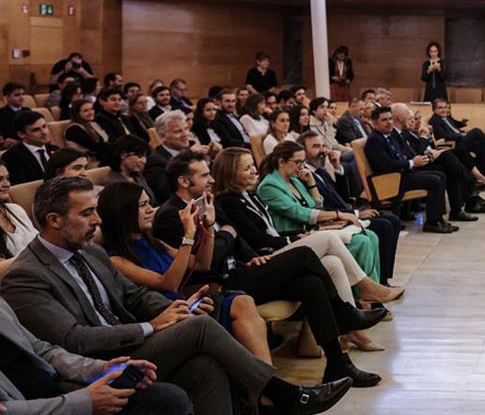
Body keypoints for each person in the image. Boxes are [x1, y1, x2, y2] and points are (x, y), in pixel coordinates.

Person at [0, 176, 353, 414]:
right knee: (200, 329)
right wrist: (152, 327)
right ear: (54, 220)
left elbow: (136, 295)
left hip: (129, 343)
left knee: (205, 364)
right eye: (87, 213)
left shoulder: (90, 252)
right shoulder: (26, 276)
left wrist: (176, 308)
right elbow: (73, 339)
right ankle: (278, 393)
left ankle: (266, 393)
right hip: (98, 361)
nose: (98, 222)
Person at [100, 179, 272, 365]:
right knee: (241, 306)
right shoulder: (116, 259)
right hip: (165, 315)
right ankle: (264, 385)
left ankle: (265, 381)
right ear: (123, 212)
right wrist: (188, 236)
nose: (151, 209)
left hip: (185, 304)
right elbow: (168, 283)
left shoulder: (153, 242)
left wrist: (207, 228)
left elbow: (201, 264)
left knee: (244, 302)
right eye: (143, 205)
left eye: (149, 203)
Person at [210, 148, 402, 307]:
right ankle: (368, 288)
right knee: (330, 239)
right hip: (266, 256)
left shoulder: (248, 195)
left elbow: (312, 205)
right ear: (230, 174)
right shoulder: (230, 201)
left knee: (333, 262)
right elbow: (258, 240)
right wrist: (295, 239)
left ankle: (350, 327)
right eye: (247, 168)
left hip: (280, 244)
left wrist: (310, 186)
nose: (254, 171)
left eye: (253, 165)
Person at [0, 295, 190, 414]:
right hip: (49, 406)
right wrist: (84, 403)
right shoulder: (26, 274)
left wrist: (101, 369)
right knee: (199, 328)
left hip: (59, 389)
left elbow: (42, 350)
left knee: (175, 390)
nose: (96, 227)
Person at [256, 142, 385, 283]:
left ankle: (373, 292)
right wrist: (339, 214)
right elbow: (300, 213)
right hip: (294, 235)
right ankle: (363, 294)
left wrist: (311, 184)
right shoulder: (269, 185)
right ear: (281, 162)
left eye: (303, 162)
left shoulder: (294, 180)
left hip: (313, 231)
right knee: (361, 242)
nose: (301, 166)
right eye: (298, 162)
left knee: (372, 236)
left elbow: (316, 206)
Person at [299, 131, 402, 284]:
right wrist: (357, 214)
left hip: (345, 212)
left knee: (393, 220)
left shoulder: (320, 171)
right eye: (315, 146)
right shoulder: (305, 177)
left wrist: (337, 167)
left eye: (322, 146)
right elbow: (324, 208)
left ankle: (384, 278)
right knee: (384, 226)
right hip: (333, 220)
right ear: (303, 152)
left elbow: (342, 196)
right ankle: (378, 281)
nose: (322, 151)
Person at [393, 104, 485, 219]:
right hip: (413, 168)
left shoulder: (410, 132)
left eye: (417, 119)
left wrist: (429, 142)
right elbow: (417, 152)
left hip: (423, 161)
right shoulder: (405, 134)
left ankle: (460, 208)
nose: (413, 122)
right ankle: (473, 184)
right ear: (402, 118)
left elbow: (423, 149)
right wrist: (425, 139)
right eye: (411, 118)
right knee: (450, 158)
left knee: (454, 162)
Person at [364, 106, 456, 234]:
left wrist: (414, 160)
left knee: (440, 175)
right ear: (375, 123)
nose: (389, 122)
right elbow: (385, 165)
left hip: (400, 174)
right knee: (435, 181)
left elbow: (400, 155)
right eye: (384, 120)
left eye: (390, 118)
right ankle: (432, 222)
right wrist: (412, 162)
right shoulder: (375, 139)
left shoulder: (387, 135)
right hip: (390, 180)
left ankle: (438, 219)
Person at [429, 99, 485, 184]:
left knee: (484, 147)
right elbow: (442, 136)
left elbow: (455, 125)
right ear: (434, 110)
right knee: (476, 131)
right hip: (455, 145)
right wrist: (461, 135)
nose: (444, 110)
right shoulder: (435, 120)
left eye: (446, 107)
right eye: (440, 108)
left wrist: (462, 125)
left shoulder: (446, 117)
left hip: (460, 140)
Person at [310, 97, 363, 202]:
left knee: (354, 154)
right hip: (322, 154)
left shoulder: (323, 122)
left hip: (333, 151)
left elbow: (334, 143)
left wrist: (348, 148)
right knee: (351, 158)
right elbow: (328, 145)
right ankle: (357, 193)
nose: (326, 110)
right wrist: (330, 125)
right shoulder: (312, 125)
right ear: (313, 110)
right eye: (322, 107)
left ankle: (357, 192)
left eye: (326, 107)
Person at [0, 163, 38, 277]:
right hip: (13, 283)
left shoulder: (16, 210)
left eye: (7, 178)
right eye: (0, 179)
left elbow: (38, 241)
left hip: (39, 271)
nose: (7, 184)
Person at [1, 111, 59, 185]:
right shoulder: (12, 156)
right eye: (36, 130)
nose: (44, 132)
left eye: (44, 126)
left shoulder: (55, 150)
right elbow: (22, 188)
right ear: (21, 134)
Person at [0, 82, 28, 147]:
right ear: (7, 97)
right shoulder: (1, 114)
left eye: (23, 94)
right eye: (17, 95)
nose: (22, 97)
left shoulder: (28, 111)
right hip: (11, 148)